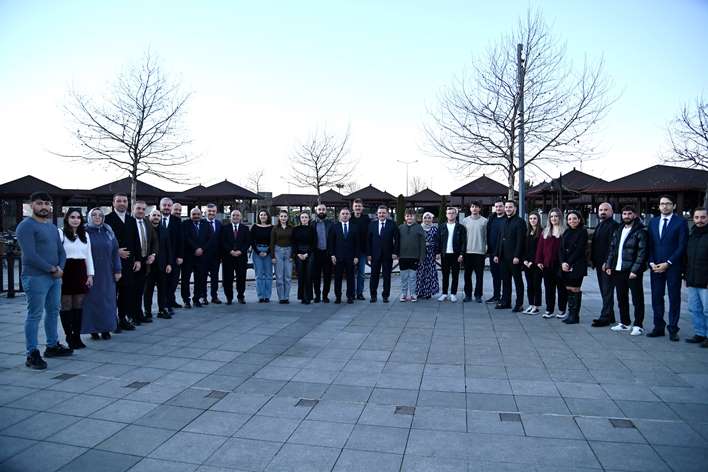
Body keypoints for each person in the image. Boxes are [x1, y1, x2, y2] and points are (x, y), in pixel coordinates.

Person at [16, 192, 72, 369]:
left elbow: (61, 251)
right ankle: (31, 353)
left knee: (53, 311)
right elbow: (30, 255)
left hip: (55, 278)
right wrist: (52, 269)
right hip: (35, 277)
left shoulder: (52, 228)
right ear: (31, 205)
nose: (44, 207)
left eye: (47, 204)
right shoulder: (25, 226)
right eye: (39, 203)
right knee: (35, 314)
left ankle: (52, 346)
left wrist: (60, 268)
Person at [647, 195, 689, 341]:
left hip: (673, 267)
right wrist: (651, 262)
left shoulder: (681, 222)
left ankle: (673, 328)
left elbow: (682, 246)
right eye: (662, 204)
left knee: (674, 297)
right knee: (656, 297)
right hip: (656, 266)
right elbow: (650, 244)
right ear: (659, 206)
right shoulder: (653, 222)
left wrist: (669, 262)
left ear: (674, 206)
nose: (664, 206)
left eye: (668, 203)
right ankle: (658, 327)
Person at [605, 206, 648, 335]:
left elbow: (642, 253)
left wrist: (635, 270)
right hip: (618, 269)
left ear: (635, 215)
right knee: (621, 298)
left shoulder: (640, 231)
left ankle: (638, 325)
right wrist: (609, 265)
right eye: (624, 214)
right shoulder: (619, 229)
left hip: (632, 270)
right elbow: (612, 249)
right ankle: (625, 323)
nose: (627, 216)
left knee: (637, 299)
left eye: (629, 213)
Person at [83, 208, 122, 340]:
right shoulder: (84, 232)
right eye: (94, 215)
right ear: (89, 217)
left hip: (107, 272)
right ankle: (93, 329)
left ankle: (106, 328)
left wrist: (118, 269)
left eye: (100, 215)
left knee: (107, 301)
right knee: (92, 301)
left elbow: (115, 251)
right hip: (91, 272)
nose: (97, 217)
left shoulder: (108, 231)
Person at [104, 193, 141, 331]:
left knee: (126, 293)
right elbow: (104, 241)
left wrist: (138, 259)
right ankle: (111, 321)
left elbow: (136, 241)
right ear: (113, 203)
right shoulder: (107, 219)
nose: (122, 203)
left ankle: (123, 318)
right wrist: (116, 251)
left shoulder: (131, 220)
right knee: (112, 293)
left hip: (129, 263)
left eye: (124, 201)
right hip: (112, 263)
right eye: (118, 201)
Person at [58, 208, 94, 349]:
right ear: (67, 219)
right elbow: (57, 254)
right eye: (72, 217)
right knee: (66, 304)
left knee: (78, 305)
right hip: (66, 270)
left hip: (80, 270)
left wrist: (90, 275)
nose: (75, 220)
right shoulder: (60, 233)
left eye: (78, 217)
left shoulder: (85, 235)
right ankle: (69, 336)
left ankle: (77, 336)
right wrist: (59, 274)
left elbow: (88, 255)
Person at [591, 202, 620, 327]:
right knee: (604, 290)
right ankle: (610, 315)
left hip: (607, 265)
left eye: (606, 210)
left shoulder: (614, 226)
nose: (603, 212)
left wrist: (607, 263)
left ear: (611, 212)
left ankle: (605, 317)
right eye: (601, 210)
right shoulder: (600, 225)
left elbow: (613, 247)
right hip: (599, 263)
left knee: (607, 290)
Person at [494, 201, 526, 312]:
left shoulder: (520, 222)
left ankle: (519, 304)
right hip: (503, 257)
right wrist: (497, 254)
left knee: (518, 281)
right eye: (506, 207)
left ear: (515, 208)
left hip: (514, 258)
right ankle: (506, 302)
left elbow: (520, 241)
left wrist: (517, 256)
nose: (508, 209)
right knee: (505, 281)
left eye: (510, 207)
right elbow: (500, 239)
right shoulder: (503, 222)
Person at [535, 208, 567, 319]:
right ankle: (549, 310)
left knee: (561, 289)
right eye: (551, 216)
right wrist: (539, 261)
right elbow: (540, 248)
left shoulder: (565, 232)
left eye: (556, 216)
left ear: (560, 218)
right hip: (547, 265)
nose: (553, 218)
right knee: (549, 289)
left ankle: (562, 309)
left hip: (560, 265)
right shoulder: (545, 231)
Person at [559, 210, 588, 324]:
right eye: (569, 219)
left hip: (577, 265)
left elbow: (579, 250)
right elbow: (561, 249)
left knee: (575, 288)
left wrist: (569, 263)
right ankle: (570, 313)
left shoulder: (583, 232)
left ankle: (575, 316)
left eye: (575, 218)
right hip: (565, 265)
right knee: (568, 288)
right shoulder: (566, 232)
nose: (572, 221)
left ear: (579, 220)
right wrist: (563, 262)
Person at [131, 200, 157, 325]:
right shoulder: (129, 222)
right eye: (138, 208)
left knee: (140, 290)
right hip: (132, 262)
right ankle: (131, 316)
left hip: (145, 262)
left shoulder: (147, 222)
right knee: (131, 291)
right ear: (133, 209)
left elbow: (154, 240)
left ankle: (139, 314)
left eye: (143, 209)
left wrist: (153, 254)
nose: (141, 211)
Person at [685, 208, 708, 347]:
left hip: (706, 281)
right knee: (695, 308)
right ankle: (700, 333)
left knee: (707, 310)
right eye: (697, 217)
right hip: (692, 279)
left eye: (703, 217)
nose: (700, 220)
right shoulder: (692, 234)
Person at [144, 209, 173, 320]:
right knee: (148, 290)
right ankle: (147, 311)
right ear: (149, 216)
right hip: (149, 265)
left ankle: (162, 310)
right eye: (154, 215)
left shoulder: (164, 229)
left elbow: (169, 248)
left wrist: (169, 263)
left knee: (162, 289)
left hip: (162, 265)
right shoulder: (145, 228)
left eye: (158, 215)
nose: (156, 217)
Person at [367, 205, 399, 303]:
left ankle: (385, 296)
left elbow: (397, 240)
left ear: (387, 214)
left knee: (387, 276)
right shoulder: (372, 224)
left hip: (388, 255)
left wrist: (395, 252)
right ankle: (373, 296)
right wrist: (369, 254)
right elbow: (368, 240)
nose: (381, 214)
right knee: (374, 276)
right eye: (380, 213)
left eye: (383, 213)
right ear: (377, 214)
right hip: (374, 255)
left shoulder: (392, 224)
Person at [329, 207, 360, 304]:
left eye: (347, 214)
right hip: (338, 257)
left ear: (350, 215)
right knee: (337, 278)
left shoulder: (355, 227)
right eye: (343, 214)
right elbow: (331, 242)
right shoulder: (334, 227)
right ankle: (338, 297)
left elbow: (357, 243)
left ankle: (350, 296)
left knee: (351, 278)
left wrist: (356, 256)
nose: (345, 215)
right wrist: (332, 255)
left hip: (351, 257)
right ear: (340, 215)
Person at [181, 207, 210, 308]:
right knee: (185, 279)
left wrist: (202, 249)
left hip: (201, 257)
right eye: (194, 214)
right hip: (188, 256)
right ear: (190, 215)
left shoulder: (206, 224)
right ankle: (186, 300)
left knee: (200, 279)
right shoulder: (185, 224)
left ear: (201, 215)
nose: (196, 216)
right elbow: (186, 237)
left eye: (198, 214)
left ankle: (196, 299)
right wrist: (195, 248)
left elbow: (209, 238)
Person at [222, 209, 251, 305]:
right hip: (228, 257)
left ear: (241, 217)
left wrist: (240, 251)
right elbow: (223, 242)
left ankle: (241, 296)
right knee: (227, 278)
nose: (235, 217)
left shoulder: (245, 228)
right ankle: (229, 297)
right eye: (233, 215)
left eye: (237, 215)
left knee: (241, 278)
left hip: (241, 257)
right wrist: (230, 251)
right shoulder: (225, 228)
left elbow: (247, 242)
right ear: (230, 217)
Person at [437, 207, 466, 302]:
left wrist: (461, 254)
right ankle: (444, 293)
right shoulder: (441, 227)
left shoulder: (460, 227)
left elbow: (464, 242)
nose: (451, 215)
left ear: (456, 215)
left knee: (455, 275)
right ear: (446, 215)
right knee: (445, 275)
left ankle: (453, 294)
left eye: (453, 213)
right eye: (449, 213)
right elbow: (438, 241)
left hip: (456, 254)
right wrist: (437, 252)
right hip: (444, 254)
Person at [462, 201, 487, 303]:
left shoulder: (484, 221)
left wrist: (486, 248)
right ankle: (468, 295)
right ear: (470, 208)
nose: (474, 208)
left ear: (480, 209)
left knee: (479, 276)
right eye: (472, 206)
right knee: (467, 275)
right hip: (467, 252)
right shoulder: (465, 221)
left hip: (480, 252)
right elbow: (462, 237)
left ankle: (478, 295)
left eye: (476, 207)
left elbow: (486, 236)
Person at [398, 209, 426, 302]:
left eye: (411, 216)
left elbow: (422, 243)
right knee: (404, 277)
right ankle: (404, 294)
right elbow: (396, 242)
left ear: (415, 217)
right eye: (407, 216)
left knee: (413, 277)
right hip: (402, 256)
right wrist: (396, 253)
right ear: (405, 217)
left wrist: (422, 257)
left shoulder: (419, 227)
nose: (409, 217)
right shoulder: (400, 227)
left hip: (414, 256)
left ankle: (413, 294)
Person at [311, 204, 334, 303]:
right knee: (316, 277)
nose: (321, 211)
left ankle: (325, 296)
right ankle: (317, 295)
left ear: (326, 211)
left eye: (323, 209)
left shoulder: (331, 224)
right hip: (316, 254)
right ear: (316, 211)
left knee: (327, 276)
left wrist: (333, 254)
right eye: (319, 209)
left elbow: (334, 239)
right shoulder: (312, 224)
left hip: (327, 253)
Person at [293, 212, 317, 304]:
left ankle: (308, 297)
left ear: (308, 219)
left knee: (309, 275)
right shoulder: (296, 229)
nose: (304, 219)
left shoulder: (312, 229)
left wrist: (307, 254)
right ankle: (302, 297)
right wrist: (298, 253)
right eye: (302, 217)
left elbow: (314, 243)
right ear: (300, 219)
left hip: (309, 253)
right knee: (301, 276)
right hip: (299, 254)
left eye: (306, 217)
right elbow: (293, 242)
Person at [251, 209, 273, 303]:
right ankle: (260, 296)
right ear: (258, 216)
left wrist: (267, 252)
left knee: (268, 275)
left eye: (264, 215)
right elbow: (251, 241)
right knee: (259, 275)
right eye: (261, 215)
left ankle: (267, 296)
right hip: (257, 251)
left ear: (268, 216)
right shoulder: (254, 227)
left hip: (268, 251)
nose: (263, 216)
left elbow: (273, 241)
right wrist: (258, 252)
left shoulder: (272, 227)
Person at [522, 212, 542, 315]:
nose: (532, 220)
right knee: (529, 285)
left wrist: (532, 261)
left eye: (534, 218)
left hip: (536, 264)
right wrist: (525, 260)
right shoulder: (527, 232)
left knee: (536, 285)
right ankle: (531, 304)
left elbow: (540, 250)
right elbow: (524, 248)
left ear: (538, 220)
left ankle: (536, 306)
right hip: (527, 264)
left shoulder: (542, 232)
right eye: (530, 219)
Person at [271, 210, 293, 304]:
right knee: (279, 277)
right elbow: (272, 243)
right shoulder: (275, 228)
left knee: (288, 276)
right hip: (278, 252)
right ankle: (281, 297)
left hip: (289, 252)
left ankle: (286, 297)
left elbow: (294, 242)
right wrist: (273, 256)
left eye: (285, 216)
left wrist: (292, 255)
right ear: (279, 218)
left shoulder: (291, 228)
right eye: (281, 216)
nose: (283, 218)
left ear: (287, 218)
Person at [486, 200, 506, 303]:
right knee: (495, 275)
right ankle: (496, 296)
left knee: (504, 276)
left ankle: (505, 297)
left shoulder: (507, 219)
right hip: (492, 252)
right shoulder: (492, 218)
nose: (498, 208)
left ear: (504, 207)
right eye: (496, 206)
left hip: (503, 253)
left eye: (500, 206)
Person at [165, 200, 184, 309]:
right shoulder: (163, 220)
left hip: (176, 257)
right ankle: (166, 303)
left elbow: (181, 240)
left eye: (179, 210)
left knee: (174, 281)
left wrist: (180, 256)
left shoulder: (178, 221)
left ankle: (171, 301)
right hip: (164, 257)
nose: (178, 212)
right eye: (176, 209)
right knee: (166, 281)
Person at [416, 212, 440, 299]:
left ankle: (428, 292)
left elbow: (438, 242)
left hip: (431, 253)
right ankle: (419, 292)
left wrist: (437, 252)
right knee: (420, 272)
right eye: (425, 218)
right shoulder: (418, 228)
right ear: (422, 219)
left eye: (429, 218)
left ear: (432, 219)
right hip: (420, 253)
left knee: (429, 273)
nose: (427, 219)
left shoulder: (435, 229)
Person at [350, 198, 370, 300]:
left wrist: (369, 252)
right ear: (353, 207)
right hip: (350, 251)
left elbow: (369, 235)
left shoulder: (366, 219)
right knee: (351, 273)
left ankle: (359, 293)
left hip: (362, 251)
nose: (357, 208)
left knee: (361, 273)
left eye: (359, 206)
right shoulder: (349, 218)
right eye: (356, 206)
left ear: (362, 208)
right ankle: (351, 293)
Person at [204, 203, 223, 304]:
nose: (211, 213)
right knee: (203, 277)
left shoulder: (219, 224)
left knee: (215, 277)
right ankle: (203, 296)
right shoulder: (201, 223)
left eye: (213, 211)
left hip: (216, 256)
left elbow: (221, 240)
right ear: (205, 212)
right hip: (203, 256)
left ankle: (214, 296)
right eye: (209, 211)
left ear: (216, 212)